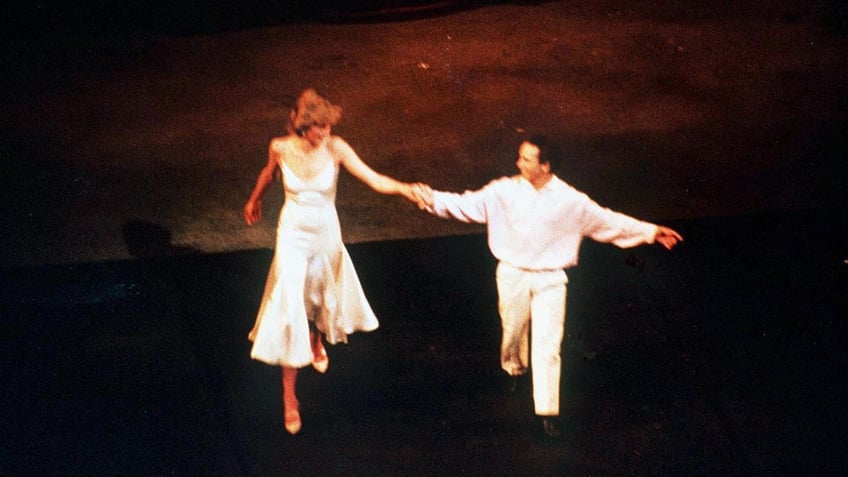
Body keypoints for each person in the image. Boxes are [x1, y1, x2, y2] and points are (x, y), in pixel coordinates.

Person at [412, 135, 683, 440]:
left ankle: (547, 410)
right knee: (513, 329)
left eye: (527, 159)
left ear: (546, 165)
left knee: (547, 345)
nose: (519, 163)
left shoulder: (571, 200)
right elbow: (466, 204)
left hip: (551, 279)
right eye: (520, 157)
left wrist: (650, 231)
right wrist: (430, 197)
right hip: (513, 273)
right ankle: (513, 367)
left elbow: (608, 221)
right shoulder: (503, 190)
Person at [244, 89, 420, 435]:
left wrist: (405, 188)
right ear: (302, 127)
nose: (324, 132)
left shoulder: (337, 148)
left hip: (325, 232)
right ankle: (289, 396)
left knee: (322, 292)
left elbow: (372, 178)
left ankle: (316, 339)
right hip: (292, 234)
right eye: (318, 128)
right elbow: (269, 174)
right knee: (289, 307)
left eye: (327, 126)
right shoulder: (280, 147)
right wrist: (255, 200)